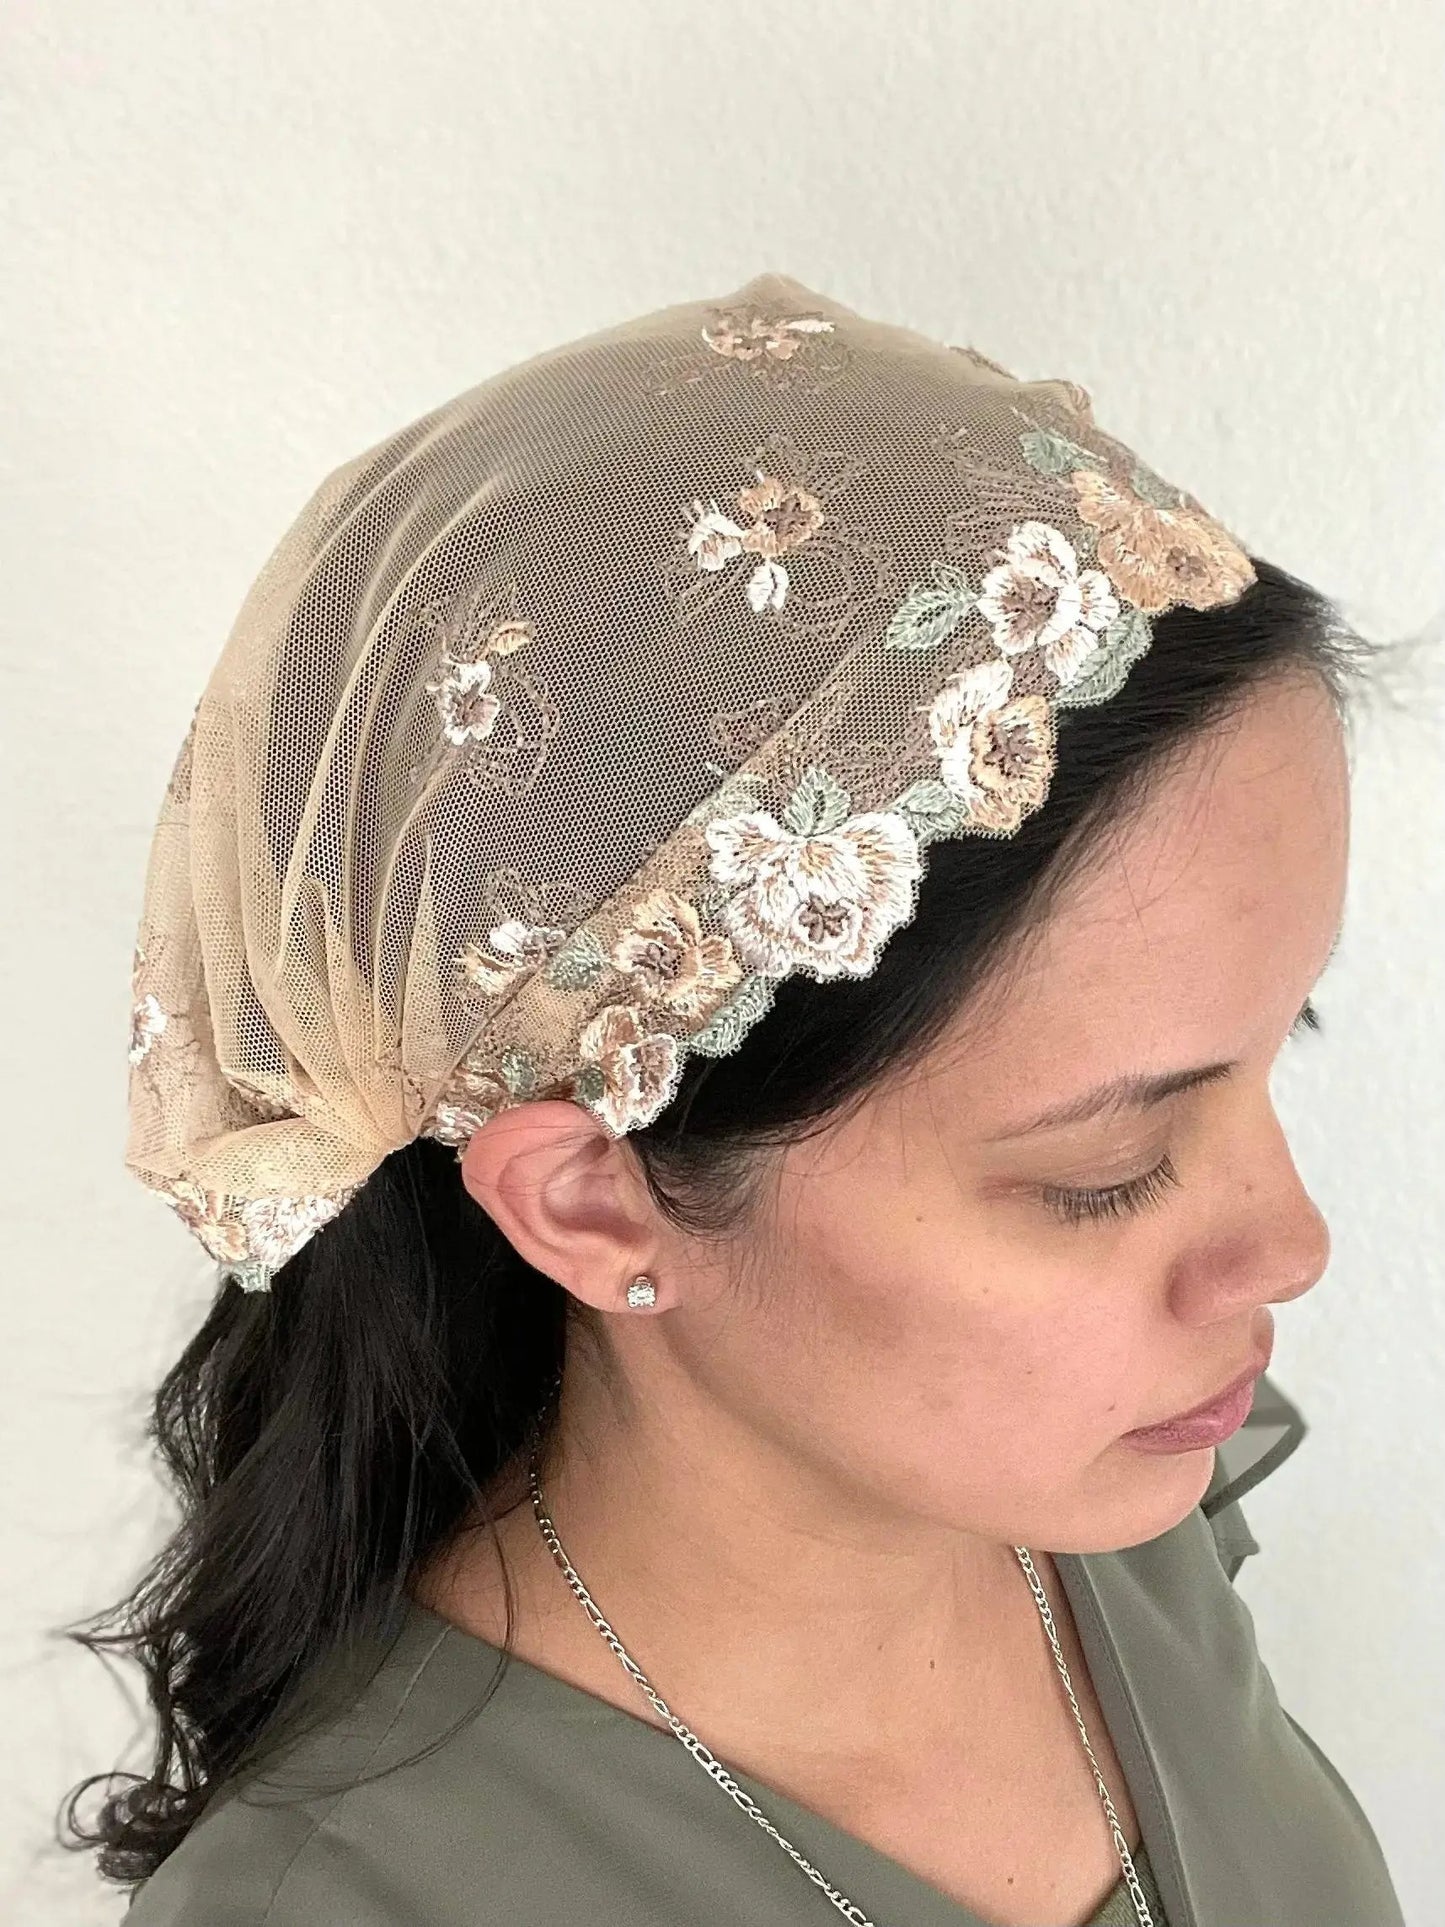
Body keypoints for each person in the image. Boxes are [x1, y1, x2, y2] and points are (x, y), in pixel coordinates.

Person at [63, 271, 1406, 1926]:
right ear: (590, 1200)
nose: (1290, 1246)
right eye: (1108, 1168)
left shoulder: (1109, 1515)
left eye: (1285, 1041)